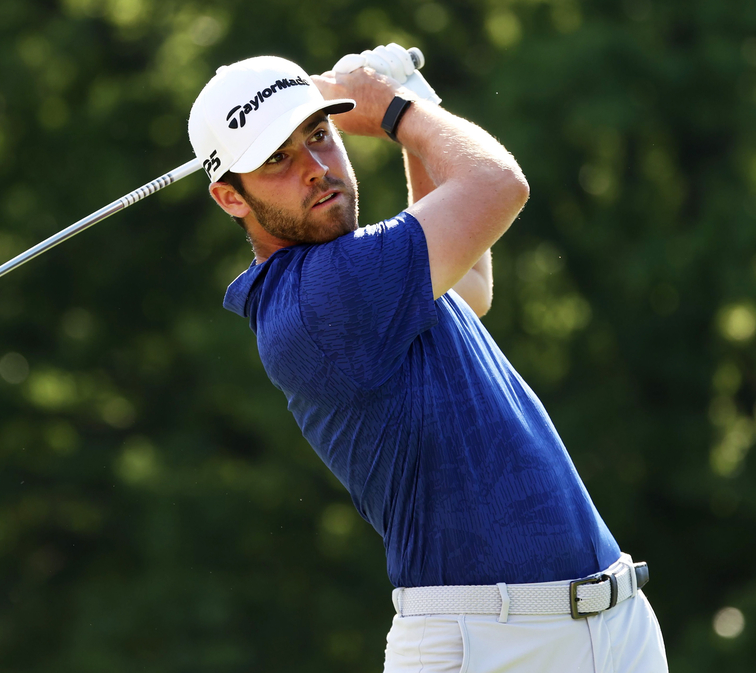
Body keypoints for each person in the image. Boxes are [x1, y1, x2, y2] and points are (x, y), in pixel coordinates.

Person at [187, 48, 668, 673]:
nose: (315, 169)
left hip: (610, 624)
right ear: (230, 197)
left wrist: (413, 100)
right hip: (487, 645)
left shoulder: (357, 278)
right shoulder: (321, 294)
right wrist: (393, 108)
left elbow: (471, 286)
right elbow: (499, 185)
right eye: (277, 158)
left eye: (320, 134)